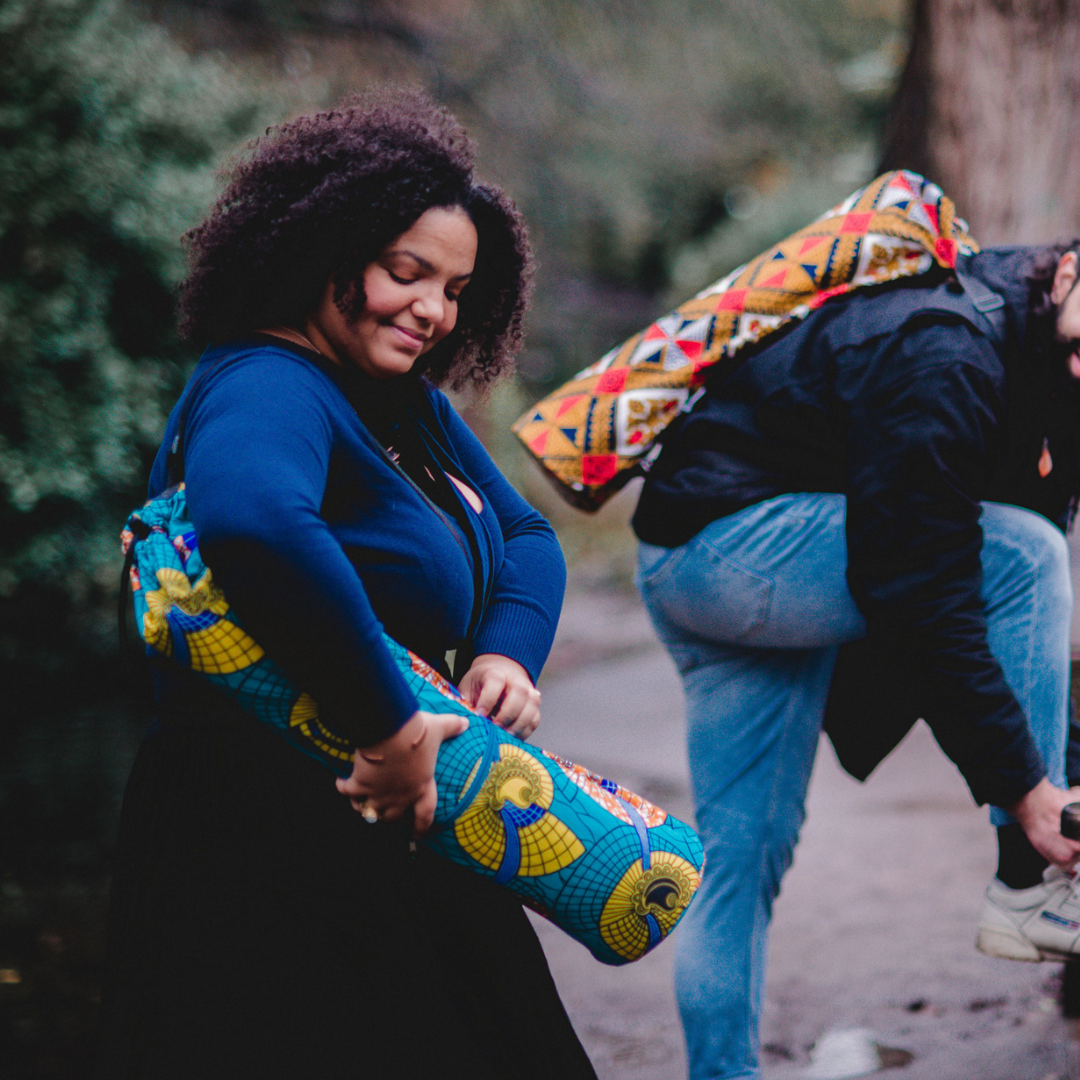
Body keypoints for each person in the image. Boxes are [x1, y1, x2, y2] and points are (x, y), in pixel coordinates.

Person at [101, 88, 597, 1080]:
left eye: (455, 289)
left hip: (398, 820)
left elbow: (530, 534)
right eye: (406, 272)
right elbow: (255, 522)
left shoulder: (400, 401)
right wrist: (388, 726)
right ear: (319, 253)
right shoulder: (267, 382)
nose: (433, 309)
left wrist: (505, 651)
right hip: (266, 853)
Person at [631, 236, 1080, 1079]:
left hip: (712, 566)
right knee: (1021, 555)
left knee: (738, 863)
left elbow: (1013, 633)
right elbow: (923, 585)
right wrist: (1028, 796)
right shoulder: (947, 347)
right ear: (1065, 271)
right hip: (728, 549)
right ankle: (1030, 888)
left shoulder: (1040, 363)